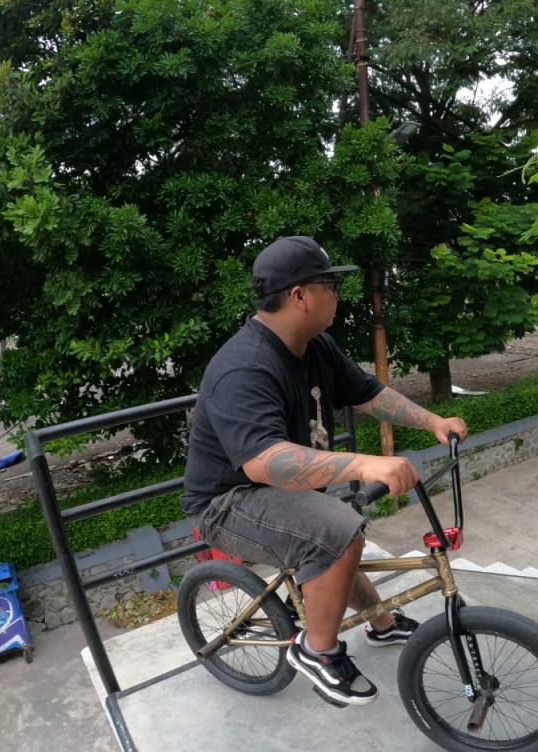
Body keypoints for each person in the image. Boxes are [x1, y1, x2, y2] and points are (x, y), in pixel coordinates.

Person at [181, 236, 468, 706]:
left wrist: (434, 421)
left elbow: (369, 393)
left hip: (275, 492)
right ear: (299, 295)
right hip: (228, 501)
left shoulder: (316, 346)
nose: (337, 293)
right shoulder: (243, 368)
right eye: (330, 284)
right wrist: (365, 462)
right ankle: (318, 651)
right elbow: (264, 461)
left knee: (336, 538)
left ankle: (380, 621)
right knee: (336, 530)